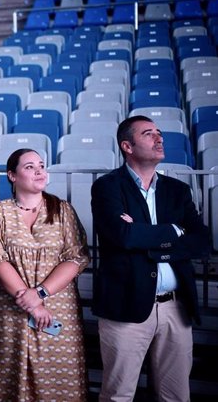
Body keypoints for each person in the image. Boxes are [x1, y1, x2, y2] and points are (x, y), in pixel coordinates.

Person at [91, 115, 210, 401]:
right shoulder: (107, 187)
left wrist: (151, 240)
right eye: (148, 134)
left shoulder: (177, 190)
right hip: (126, 306)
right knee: (118, 394)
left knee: (176, 395)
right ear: (127, 146)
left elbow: (201, 241)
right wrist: (173, 231)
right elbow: (123, 236)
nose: (159, 138)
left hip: (175, 308)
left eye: (159, 133)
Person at [0, 148, 90, 401]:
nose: (39, 170)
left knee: (58, 380)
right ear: (12, 175)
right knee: (6, 377)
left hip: (55, 308)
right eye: (29, 167)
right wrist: (28, 301)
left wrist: (39, 294)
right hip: (8, 311)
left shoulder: (63, 211)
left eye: (41, 165)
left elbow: (76, 257)